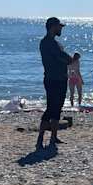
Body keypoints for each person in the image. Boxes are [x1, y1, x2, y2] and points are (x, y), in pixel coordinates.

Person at [37, 17, 73, 150]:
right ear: (53, 27)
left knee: (57, 108)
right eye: (59, 27)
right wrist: (73, 58)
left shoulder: (50, 42)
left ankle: (53, 137)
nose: (61, 29)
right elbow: (63, 57)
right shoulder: (49, 43)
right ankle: (40, 137)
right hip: (54, 79)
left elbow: (62, 57)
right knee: (51, 108)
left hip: (59, 78)